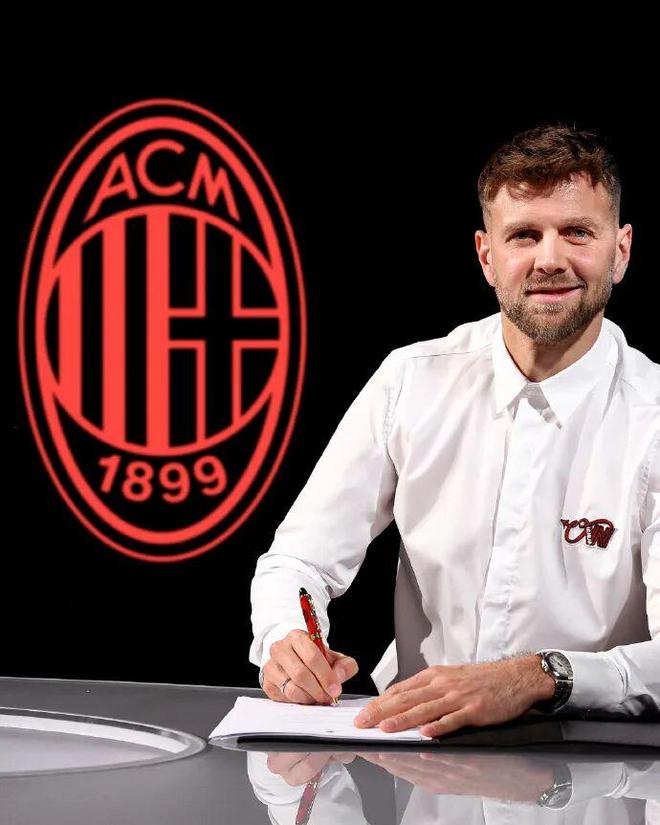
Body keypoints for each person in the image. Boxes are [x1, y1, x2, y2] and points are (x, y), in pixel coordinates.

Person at [249, 123, 659, 737]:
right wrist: (288, 638)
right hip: (415, 758)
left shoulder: (654, 415)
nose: (550, 259)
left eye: (577, 232)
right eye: (524, 235)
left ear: (621, 251)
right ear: (486, 256)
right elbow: (297, 561)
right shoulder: (410, 381)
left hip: (594, 765)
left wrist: (539, 677)